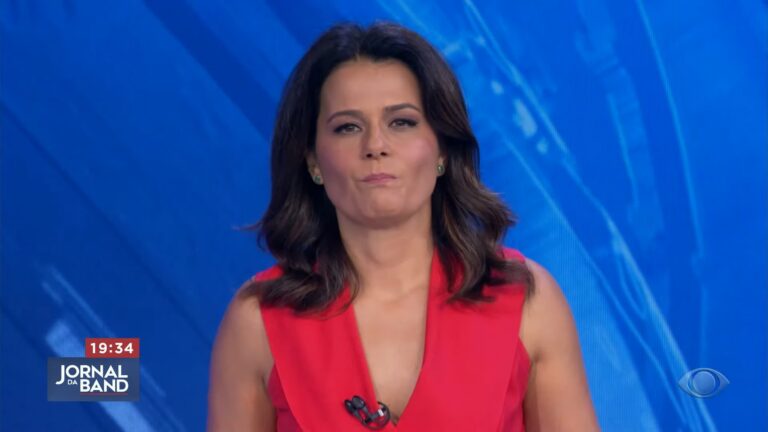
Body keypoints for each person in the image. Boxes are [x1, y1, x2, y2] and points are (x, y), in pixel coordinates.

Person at [207, 21, 599, 431]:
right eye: (348, 127)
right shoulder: (257, 323)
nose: (375, 145)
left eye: (402, 122)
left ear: (442, 149)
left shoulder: (527, 302)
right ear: (313, 161)